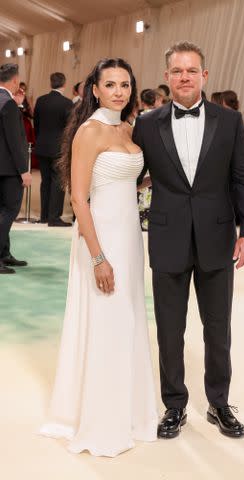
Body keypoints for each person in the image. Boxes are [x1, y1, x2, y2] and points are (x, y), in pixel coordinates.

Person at [134, 41, 244, 439]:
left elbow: (243, 177)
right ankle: (174, 405)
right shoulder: (147, 123)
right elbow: (131, 175)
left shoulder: (229, 120)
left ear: (204, 75)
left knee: (217, 327)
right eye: (177, 71)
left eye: (192, 70)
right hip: (168, 237)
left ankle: (219, 404)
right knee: (170, 329)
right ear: (167, 77)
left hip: (218, 236)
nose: (184, 77)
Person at [40, 58, 158, 456]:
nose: (120, 91)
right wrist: (97, 258)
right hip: (101, 238)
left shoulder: (127, 127)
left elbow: (130, 177)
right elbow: (78, 198)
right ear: (95, 90)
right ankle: (101, 417)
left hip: (129, 238)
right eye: (111, 84)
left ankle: (129, 410)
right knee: (105, 318)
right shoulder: (89, 132)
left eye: (125, 84)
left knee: (126, 318)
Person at [0, 63, 32, 274]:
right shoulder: (8, 104)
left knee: (2, 211)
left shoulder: (9, 103)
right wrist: (24, 170)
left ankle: (4, 253)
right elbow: (15, 141)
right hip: (9, 169)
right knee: (9, 211)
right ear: (13, 82)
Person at [34, 72, 73, 226]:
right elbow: (69, 128)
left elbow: (36, 124)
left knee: (45, 181)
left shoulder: (41, 100)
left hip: (42, 146)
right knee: (58, 182)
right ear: (64, 84)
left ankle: (44, 215)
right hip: (58, 148)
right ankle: (54, 218)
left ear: (51, 83)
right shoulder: (67, 103)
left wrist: (40, 139)